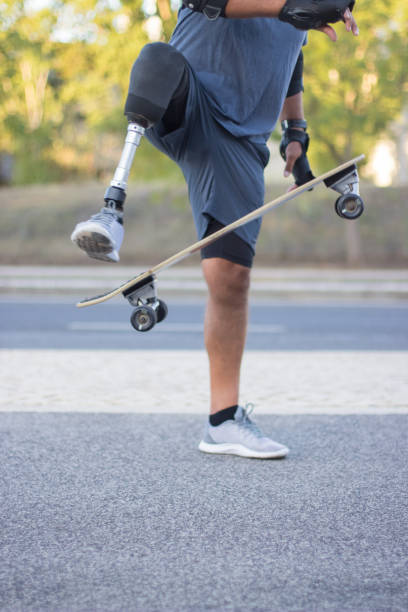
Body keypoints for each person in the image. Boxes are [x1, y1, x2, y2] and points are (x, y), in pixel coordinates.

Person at [71, 0, 359, 459]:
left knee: (229, 277)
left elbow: (292, 59)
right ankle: (111, 207)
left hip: (240, 144)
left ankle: (222, 421)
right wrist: (287, 8)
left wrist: (295, 129)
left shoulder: (304, 13)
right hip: (190, 102)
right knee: (156, 56)